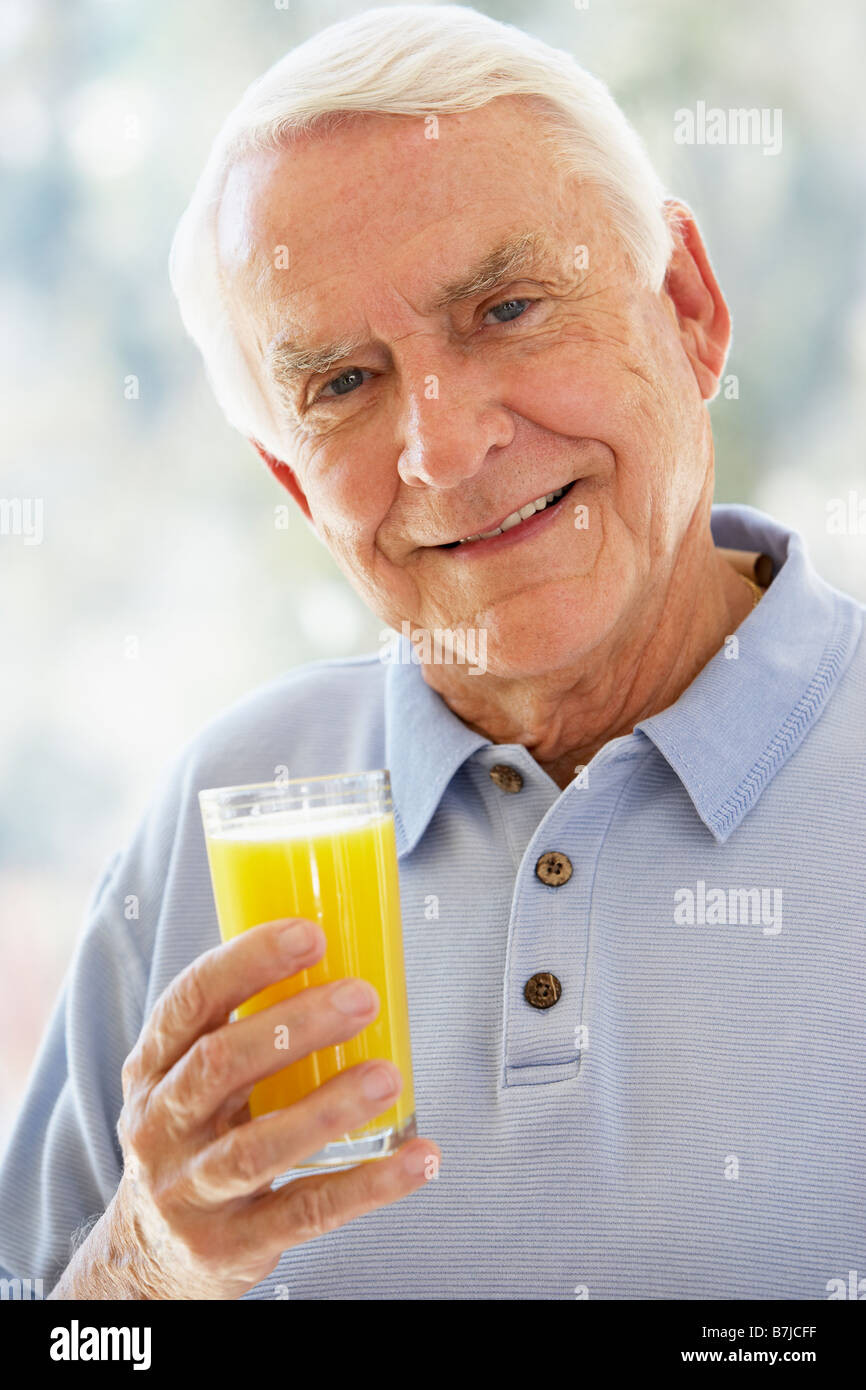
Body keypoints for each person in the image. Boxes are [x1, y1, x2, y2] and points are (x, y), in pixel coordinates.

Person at [2, 4, 864, 1301]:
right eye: (342, 383)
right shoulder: (216, 812)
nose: (445, 448)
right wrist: (142, 1267)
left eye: (508, 307)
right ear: (295, 484)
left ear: (687, 309)